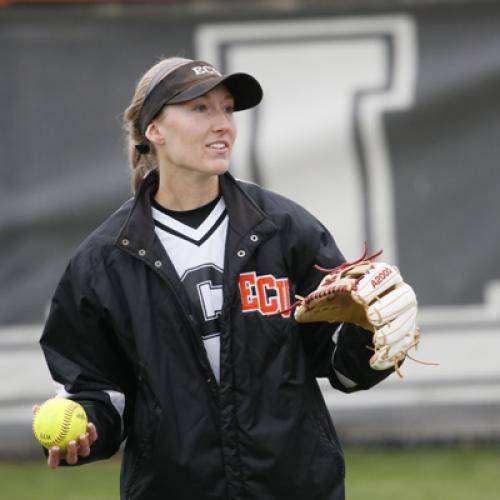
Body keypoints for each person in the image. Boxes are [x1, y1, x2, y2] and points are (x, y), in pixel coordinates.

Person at [38, 57, 409, 500]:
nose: (223, 125)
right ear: (154, 130)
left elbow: (340, 369)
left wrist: (372, 337)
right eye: (200, 110)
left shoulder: (284, 229)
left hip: (294, 486)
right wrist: (85, 425)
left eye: (227, 109)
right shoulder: (104, 261)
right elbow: (99, 392)